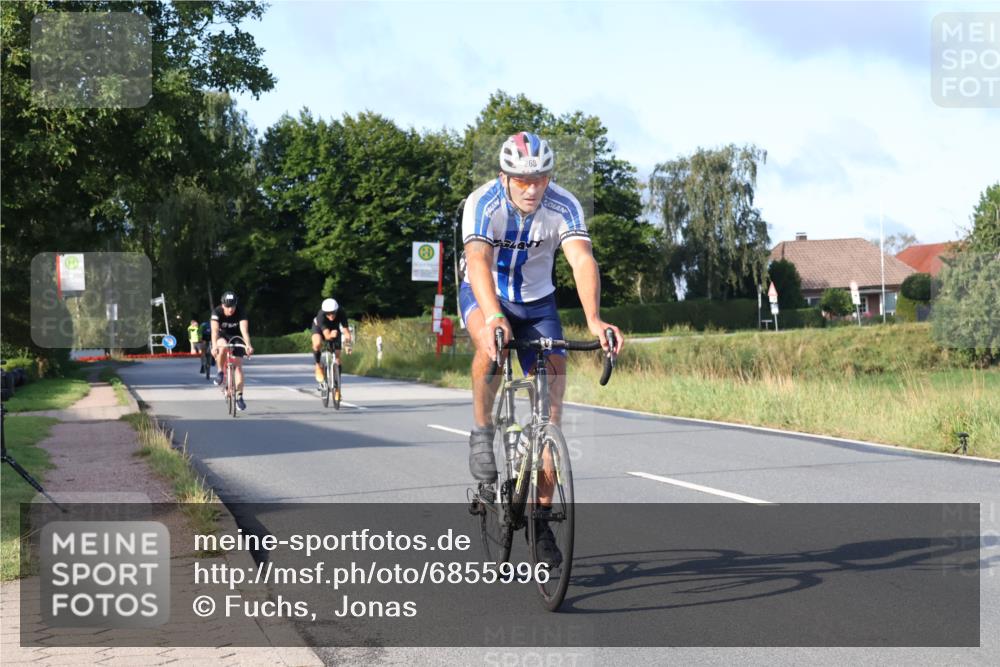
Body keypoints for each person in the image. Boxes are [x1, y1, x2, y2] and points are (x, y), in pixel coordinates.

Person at [460, 131, 624, 565]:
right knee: (489, 347)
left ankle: (542, 521)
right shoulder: (483, 204)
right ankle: (482, 430)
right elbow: (477, 261)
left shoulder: (563, 205)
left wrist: (594, 319)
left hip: (538, 303)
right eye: (522, 181)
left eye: (541, 179)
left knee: (550, 418)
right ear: (504, 177)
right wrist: (494, 316)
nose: (532, 188)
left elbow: (582, 259)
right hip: (485, 294)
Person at [211, 291, 253, 411]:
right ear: (222, 305)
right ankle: (220, 372)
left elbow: (244, 330)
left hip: (236, 337)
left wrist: (248, 345)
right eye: (227, 307)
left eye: (233, 306)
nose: (230, 309)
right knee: (222, 345)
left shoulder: (241, 311)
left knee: (238, 366)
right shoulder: (217, 312)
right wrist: (214, 346)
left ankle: (239, 397)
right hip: (221, 337)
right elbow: (214, 331)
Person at [311, 298, 352, 400]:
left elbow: (346, 332)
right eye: (328, 314)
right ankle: (318, 366)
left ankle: (338, 390)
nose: (331, 316)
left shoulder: (341, 313)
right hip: (320, 329)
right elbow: (327, 335)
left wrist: (348, 345)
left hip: (334, 330)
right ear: (325, 312)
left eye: (333, 313)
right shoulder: (321, 315)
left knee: (337, 357)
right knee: (317, 344)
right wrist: (330, 335)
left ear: (337, 311)